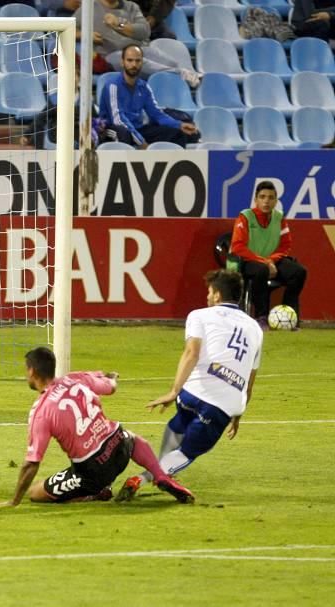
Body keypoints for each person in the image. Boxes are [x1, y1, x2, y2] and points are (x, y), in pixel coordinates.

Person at [116, 270, 263, 501]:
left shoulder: (199, 315)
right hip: (222, 405)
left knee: (179, 422)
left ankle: (163, 468)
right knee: (187, 452)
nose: (207, 296)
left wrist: (175, 391)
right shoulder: (255, 329)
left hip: (190, 393)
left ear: (217, 295)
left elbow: (191, 353)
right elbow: (249, 380)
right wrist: (238, 413)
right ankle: (144, 478)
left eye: (209, 291)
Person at [4, 347, 195, 507]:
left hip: (93, 470)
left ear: (31, 371)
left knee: (36, 493)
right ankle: (161, 475)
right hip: (120, 446)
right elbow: (110, 386)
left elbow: (32, 463)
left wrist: (14, 500)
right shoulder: (74, 379)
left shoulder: (42, 411)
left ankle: (96, 492)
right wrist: (112, 378)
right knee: (131, 437)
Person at [229, 181, 307, 328]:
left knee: (299, 272)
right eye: (262, 197)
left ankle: (289, 315)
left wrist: (271, 260)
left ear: (276, 201)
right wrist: (264, 262)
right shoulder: (245, 217)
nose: (266, 201)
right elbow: (237, 247)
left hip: (272, 261)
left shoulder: (279, 218)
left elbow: (285, 245)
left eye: (271, 198)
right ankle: (261, 316)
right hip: (248, 262)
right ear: (256, 200)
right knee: (261, 270)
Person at [99, 44, 199, 148]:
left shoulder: (144, 86)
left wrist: (179, 125)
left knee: (176, 134)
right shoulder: (112, 86)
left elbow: (157, 114)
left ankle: (169, 163)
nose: (134, 64)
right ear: (122, 62)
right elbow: (118, 120)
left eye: (137, 61)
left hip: (138, 129)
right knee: (123, 134)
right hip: (112, 129)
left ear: (142, 62)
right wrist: (141, 142)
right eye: (130, 60)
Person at [87, 0, 201, 86]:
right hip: (110, 54)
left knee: (159, 55)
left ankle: (187, 73)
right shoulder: (90, 8)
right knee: (136, 60)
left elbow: (141, 29)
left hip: (133, 44)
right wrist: (85, 34)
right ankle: (179, 74)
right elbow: (72, 27)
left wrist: (121, 26)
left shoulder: (129, 7)